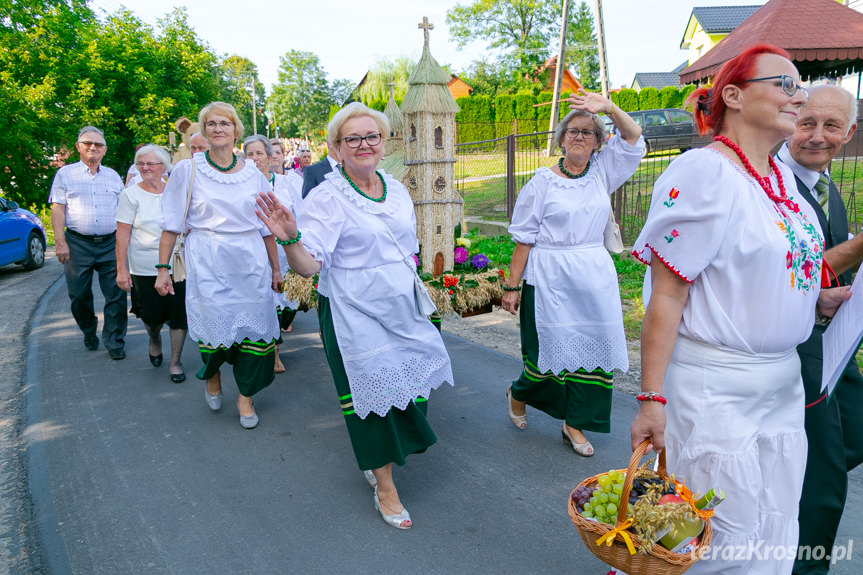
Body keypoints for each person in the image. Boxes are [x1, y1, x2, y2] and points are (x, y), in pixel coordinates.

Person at [629, 45, 850, 574]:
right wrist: (651, 399)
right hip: (716, 388)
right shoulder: (705, 173)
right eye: (786, 85)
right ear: (732, 95)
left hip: (781, 386)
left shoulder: (785, 186)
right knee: (713, 540)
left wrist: (812, 300)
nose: (798, 97)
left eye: (799, 86)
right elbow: (667, 294)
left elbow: (775, 270)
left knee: (774, 526)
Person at [256, 102, 454, 530]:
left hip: (403, 304)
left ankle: (378, 461)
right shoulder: (327, 195)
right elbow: (309, 267)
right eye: (353, 139)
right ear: (336, 148)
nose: (364, 144)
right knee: (372, 405)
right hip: (353, 310)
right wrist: (290, 239)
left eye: (372, 136)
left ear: (384, 144)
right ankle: (385, 485)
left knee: (414, 385)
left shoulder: (396, 188)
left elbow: (409, 247)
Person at [501, 91, 643, 457]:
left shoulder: (603, 172)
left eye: (588, 132)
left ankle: (574, 423)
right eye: (573, 131)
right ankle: (519, 393)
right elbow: (524, 240)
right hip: (549, 277)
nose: (579, 137)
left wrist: (609, 108)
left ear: (598, 143)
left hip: (593, 275)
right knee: (544, 359)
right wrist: (512, 286)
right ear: (561, 139)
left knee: (594, 353)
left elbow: (633, 138)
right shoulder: (541, 183)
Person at [775, 85, 863, 575]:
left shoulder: (824, 186)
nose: (817, 136)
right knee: (824, 487)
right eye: (807, 123)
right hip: (793, 351)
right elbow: (794, 273)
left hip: (835, 347)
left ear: (849, 133)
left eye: (832, 126)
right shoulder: (778, 188)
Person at [155, 102, 282, 430]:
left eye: (224, 123)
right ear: (203, 130)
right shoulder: (188, 170)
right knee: (214, 331)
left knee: (255, 335)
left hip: (250, 263)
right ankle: (212, 375)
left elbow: (268, 225)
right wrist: (162, 268)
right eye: (210, 124)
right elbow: (171, 223)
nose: (217, 128)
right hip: (208, 261)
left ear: (236, 130)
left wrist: (277, 269)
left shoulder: (253, 173)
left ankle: (245, 397)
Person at [49, 126, 128, 360]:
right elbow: (57, 208)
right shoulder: (65, 174)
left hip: (110, 243)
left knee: (116, 294)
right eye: (87, 143)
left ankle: (114, 341)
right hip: (77, 244)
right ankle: (88, 329)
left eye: (98, 145)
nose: (93, 147)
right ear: (78, 147)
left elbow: (124, 211)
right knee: (79, 295)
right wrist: (60, 242)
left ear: (104, 150)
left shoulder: (113, 176)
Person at [115, 144, 188, 382]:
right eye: (141, 164)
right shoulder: (130, 195)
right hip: (144, 267)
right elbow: (122, 235)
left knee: (178, 314)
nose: (145, 168)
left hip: (177, 265)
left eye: (150, 163)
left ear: (163, 167)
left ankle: (175, 362)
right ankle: (154, 337)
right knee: (151, 316)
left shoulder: (176, 191)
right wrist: (122, 269)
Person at [243, 134, 301, 373]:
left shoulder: (289, 183)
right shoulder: (241, 184)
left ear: (269, 156)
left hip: (287, 252)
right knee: (267, 303)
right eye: (249, 154)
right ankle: (273, 352)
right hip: (255, 254)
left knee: (291, 303)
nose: (255, 158)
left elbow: (302, 215)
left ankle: (275, 337)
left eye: (259, 153)